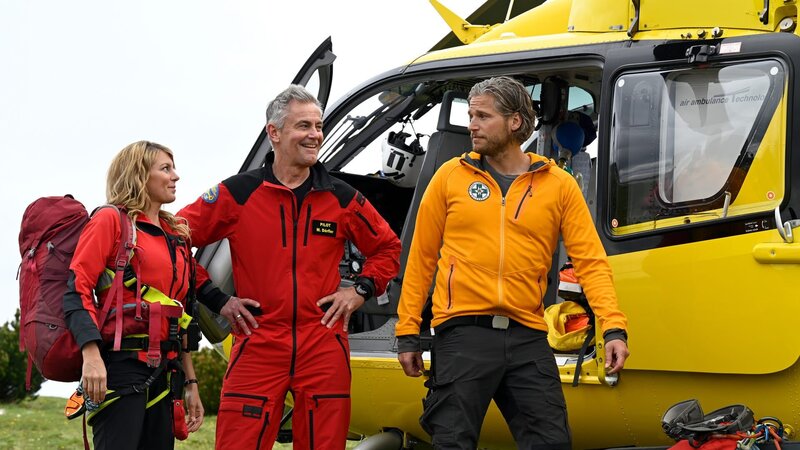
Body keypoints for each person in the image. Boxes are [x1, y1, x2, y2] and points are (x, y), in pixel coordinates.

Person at [395, 76, 630, 449]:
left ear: (515, 122)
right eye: (471, 115)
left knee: (551, 443)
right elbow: (421, 259)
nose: (472, 124)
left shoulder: (559, 184)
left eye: (483, 116)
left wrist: (613, 327)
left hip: (528, 337)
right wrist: (407, 331)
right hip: (462, 334)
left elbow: (591, 261)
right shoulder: (450, 177)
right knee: (452, 443)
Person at [179, 84, 401, 449]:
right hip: (258, 339)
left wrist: (359, 291)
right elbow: (170, 240)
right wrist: (217, 299)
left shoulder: (342, 197)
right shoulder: (238, 193)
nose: (315, 135)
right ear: (274, 133)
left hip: (323, 341)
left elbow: (388, 248)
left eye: (318, 126)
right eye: (304, 126)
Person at [64, 140, 213, 449]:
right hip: (119, 367)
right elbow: (77, 288)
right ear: (139, 175)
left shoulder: (177, 236)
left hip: (164, 374)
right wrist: (91, 357)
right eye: (165, 168)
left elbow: (182, 314)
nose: (176, 176)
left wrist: (190, 381)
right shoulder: (110, 221)